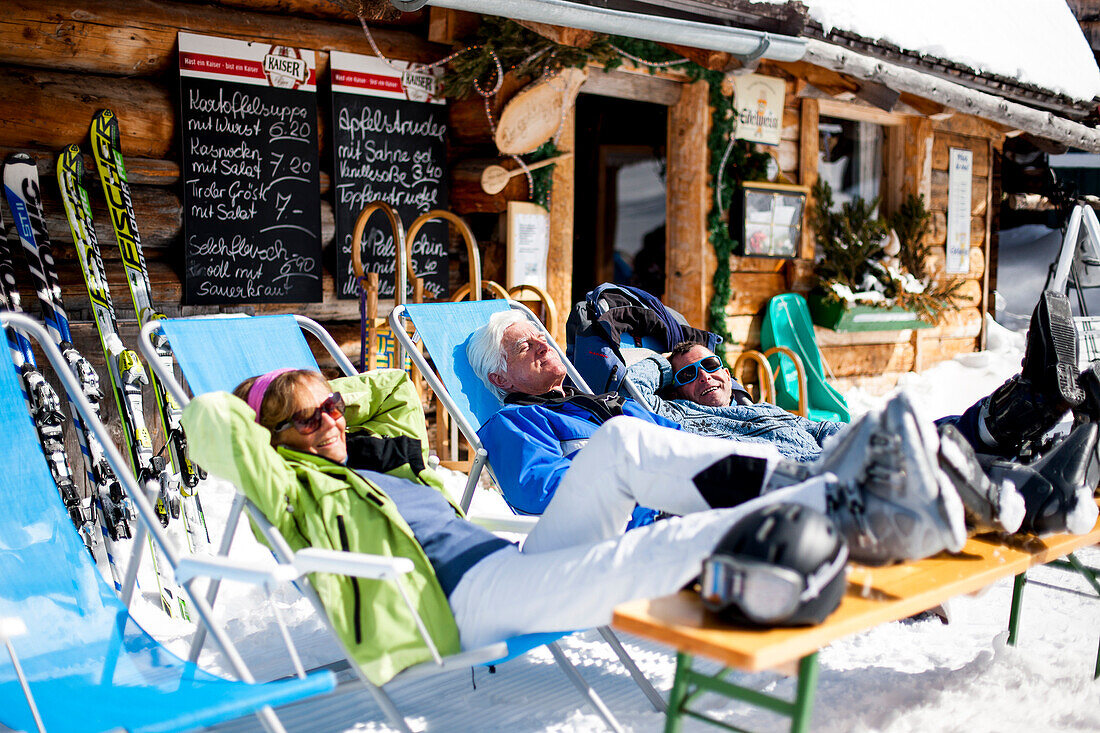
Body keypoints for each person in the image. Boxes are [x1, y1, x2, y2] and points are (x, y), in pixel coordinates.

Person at [182, 366, 966, 685]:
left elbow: (387, 385)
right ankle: (858, 509)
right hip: (451, 608)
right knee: (647, 552)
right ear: (274, 439)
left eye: (330, 407)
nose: (328, 420)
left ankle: (812, 478)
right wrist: (272, 403)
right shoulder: (290, 486)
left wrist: (339, 410)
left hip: (506, 564)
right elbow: (208, 421)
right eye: (306, 417)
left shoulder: (379, 455)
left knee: (621, 439)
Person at [469, 291, 1098, 537]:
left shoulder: (590, 396)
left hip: (706, 467)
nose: (544, 343)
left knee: (859, 443)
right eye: (527, 345)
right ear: (500, 375)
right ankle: (1009, 429)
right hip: (676, 503)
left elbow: (661, 424)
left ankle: (1019, 432)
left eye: (540, 334)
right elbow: (540, 492)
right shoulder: (513, 425)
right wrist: (647, 498)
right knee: (848, 458)